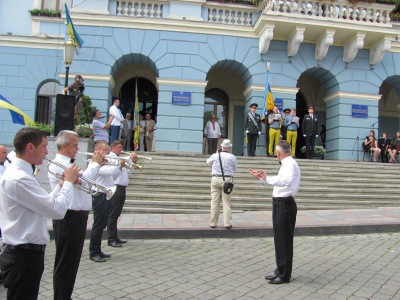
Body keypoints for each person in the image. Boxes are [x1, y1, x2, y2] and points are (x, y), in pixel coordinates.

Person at [0, 127, 81, 299]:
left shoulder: (22, 174)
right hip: (24, 256)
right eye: (44, 146)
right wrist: (68, 183)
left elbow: (44, 204)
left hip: (26, 254)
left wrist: (60, 185)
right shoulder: (19, 178)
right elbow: (56, 211)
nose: (46, 151)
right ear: (30, 148)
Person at [47, 130, 104, 299]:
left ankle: (65, 296)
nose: (78, 149)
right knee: (66, 264)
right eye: (75, 145)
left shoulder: (68, 163)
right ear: (64, 146)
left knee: (71, 264)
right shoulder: (59, 164)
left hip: (77, 217)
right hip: (69, 217)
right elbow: (85, 180)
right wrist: (95, 164)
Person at [249, 140, 300, 285]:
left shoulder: (289, 164)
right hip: (280, 203)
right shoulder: (287, 164)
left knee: (284, 240)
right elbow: (280, 183)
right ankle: (280, 270)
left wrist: (267, 178)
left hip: (285, 204)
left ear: (278, 153)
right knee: (279, 239)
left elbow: (286, 181)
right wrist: (262, 178)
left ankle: (284, 275)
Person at [89, 141, 122, 262]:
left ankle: (98, 250)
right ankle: (93, 252)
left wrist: (121, 166)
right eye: (104, 150)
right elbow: (109, 172)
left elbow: (114, 175)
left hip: (106, 194)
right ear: (96, 151)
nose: (107, 153)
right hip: (99, 195)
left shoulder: (104, 163)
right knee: (98, 225)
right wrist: (118, 163)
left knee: (102, 224)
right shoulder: (95, 164)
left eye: (107, 150)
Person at [107, 141, 138, 247]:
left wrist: (132, 162)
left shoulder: (120, 158)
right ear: (113, 148)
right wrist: (129, 159)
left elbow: (127, 172)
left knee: (117, 214)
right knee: (113, 214)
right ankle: (111, 238)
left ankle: (115, 236)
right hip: (116, 187)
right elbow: (114, 171)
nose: (121, 149)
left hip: (122, 188)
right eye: (119, 147)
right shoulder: (111, 158)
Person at [206, 139, 237, 229]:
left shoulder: (215, 155)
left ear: (221, 147)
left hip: (215, 178)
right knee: (226, 202)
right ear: (229, 148)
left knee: (214, 202)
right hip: (227, 180)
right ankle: (227, 223)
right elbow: (235, 168)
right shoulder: (232, 157)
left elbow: (207, 162)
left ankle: (213, 223)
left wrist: (216, 153)